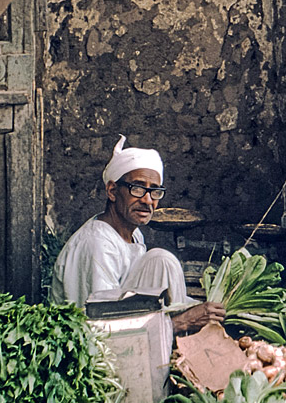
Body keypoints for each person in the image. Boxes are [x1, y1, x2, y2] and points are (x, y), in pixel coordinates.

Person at [50, 135, 225, 338]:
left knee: (160, 261)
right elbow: (99, 328)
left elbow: (138, 297)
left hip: (127, 337)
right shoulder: (96, 245)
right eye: (138, 188)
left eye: (155, 191)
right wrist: (181, 322)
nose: (147, 200)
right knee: (161, 260)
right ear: (113, 191)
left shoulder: (134, 235)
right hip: (94, 352)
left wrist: (209, 309)